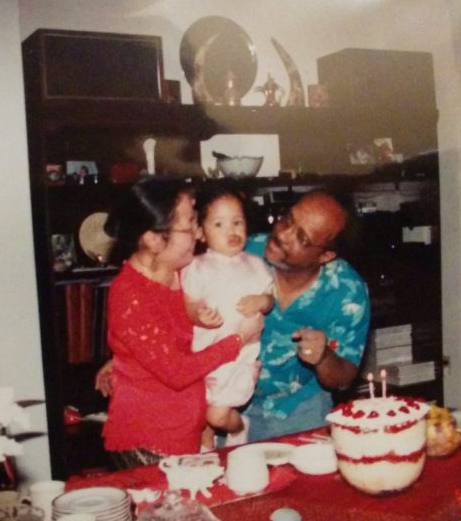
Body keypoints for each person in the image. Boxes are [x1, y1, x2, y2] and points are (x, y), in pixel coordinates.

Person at [98, 178, 264, 468]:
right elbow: (176, 371)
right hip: (152, 443)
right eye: (189, 226)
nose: (199, 234)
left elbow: (172, 339)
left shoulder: (185, 270)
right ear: (153, 238)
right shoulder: (130, 295)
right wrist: (238, 341)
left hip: (190, 432)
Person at [243, 190, 370, 441]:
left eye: (301, 237)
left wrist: (323, 357)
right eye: (287, 220)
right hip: (228, 410)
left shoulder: (346, 292)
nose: (281, 234)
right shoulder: (242, 253)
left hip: (299, 411)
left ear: (326, 256)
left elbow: (344, 378)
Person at [180, 182, 273, 448]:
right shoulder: (196, 267)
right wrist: (198, 315)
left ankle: (239, 428)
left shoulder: (255, 265)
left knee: (217, 415)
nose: (231, 230)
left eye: (237, 222)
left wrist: (261, 301)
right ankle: (208, 456)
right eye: (219, 224)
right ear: (201, 232)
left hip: (239, 359)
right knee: (199, 421)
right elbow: (188, 303)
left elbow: (270, 300)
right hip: (202, 359)